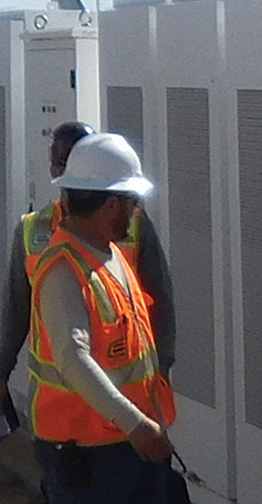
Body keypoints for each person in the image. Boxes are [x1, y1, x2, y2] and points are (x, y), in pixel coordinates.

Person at [0, 122, 175, 411]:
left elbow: (160, 299)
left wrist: (162, 369)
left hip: (126, 407)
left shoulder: (133, 224)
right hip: (62, 414)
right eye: (61, 163)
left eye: (75, 162)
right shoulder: (32, 231)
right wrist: (0, 374)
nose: (67, 172)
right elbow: (16, 308)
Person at [29, 132, 175, 503]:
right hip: (90, 453)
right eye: (132, 201)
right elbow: (73, 359)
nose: (135, 211)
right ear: (112, 205)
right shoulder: (64, 270)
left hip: (125, 446)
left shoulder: (108, 256)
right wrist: (138, 426)